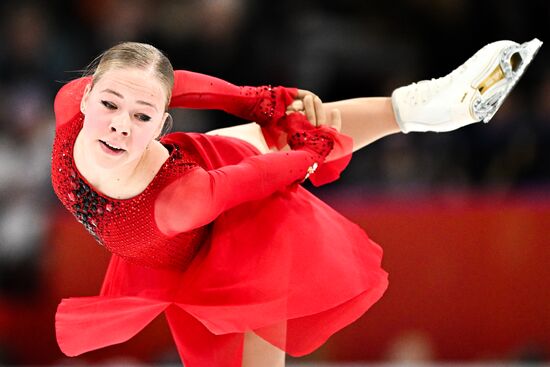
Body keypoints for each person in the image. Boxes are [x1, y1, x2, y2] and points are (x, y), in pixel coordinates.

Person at [51, 38, 541, 367]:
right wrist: (251, 100)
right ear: (86, 94)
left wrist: (312, 151)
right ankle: (423, 109)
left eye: (141, 115)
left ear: (162, 125)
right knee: (270, 131)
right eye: (110, 104)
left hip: (237, 241)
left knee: (280, 140)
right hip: (172, 250)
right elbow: (178, 83)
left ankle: (436, 105)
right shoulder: (68, 108)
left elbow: (259, 177)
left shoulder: (181, 201)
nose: (119, 124)